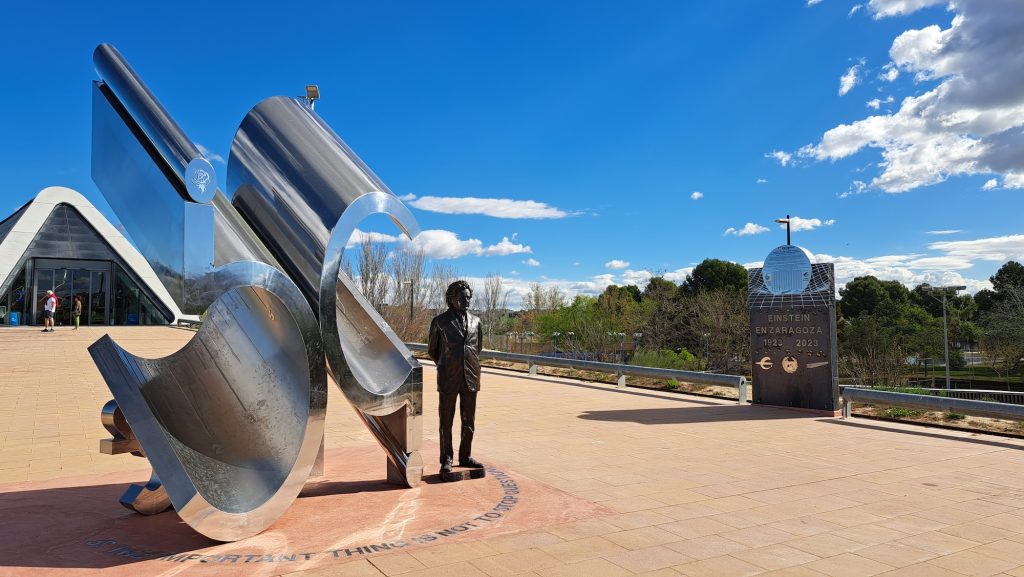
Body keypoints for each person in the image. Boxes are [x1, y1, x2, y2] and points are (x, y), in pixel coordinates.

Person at [428, 280, 484, 474]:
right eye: (462, 298)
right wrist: (447, 366)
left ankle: (466, 456)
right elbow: (432, 351)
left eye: (469, 297)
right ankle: (447, 458)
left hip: (471, 378)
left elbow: (477, 349)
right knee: (446, 421)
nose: (467, 301)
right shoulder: (439, 322)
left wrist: (467, 365)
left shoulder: (476, 321)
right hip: (448, 378)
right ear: (452, 299)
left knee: (469, 420)